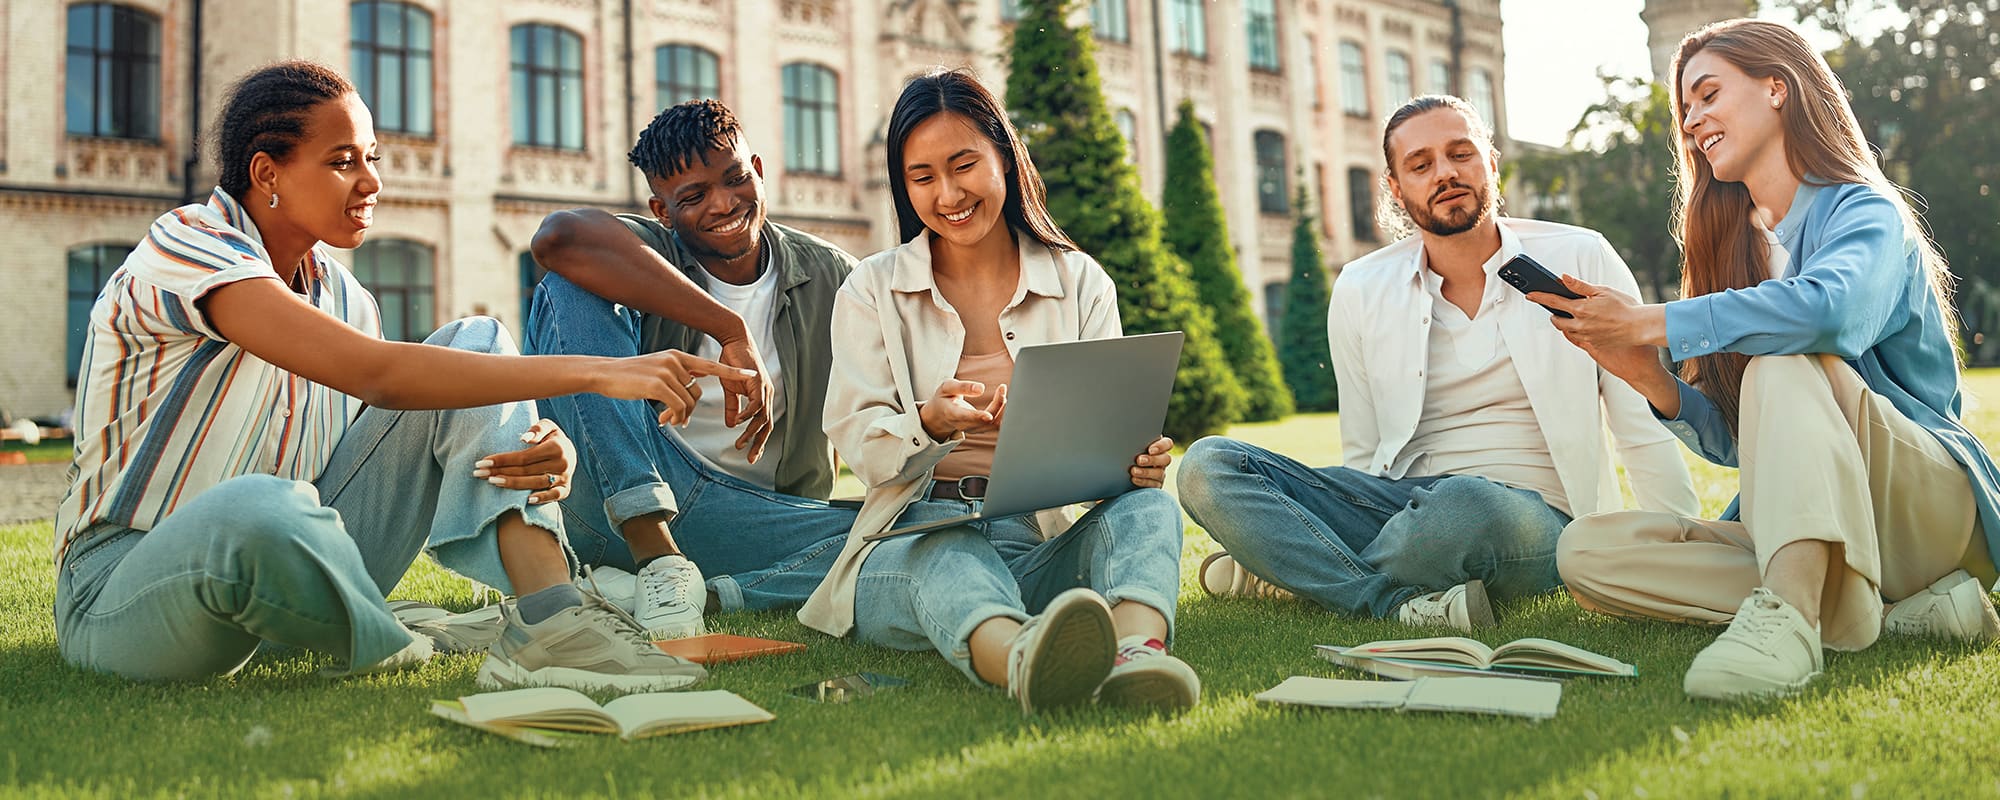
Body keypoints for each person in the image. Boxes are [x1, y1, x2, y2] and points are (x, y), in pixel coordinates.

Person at [52, 61, 719, 692]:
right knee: (259, 506)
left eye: (373, 157)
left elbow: (396, 425)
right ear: (267, 173)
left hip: (291, 563)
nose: (370, 181)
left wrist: (539, 442)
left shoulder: (345, 298)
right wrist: (601, 372)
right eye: (343, 162)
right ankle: (401, 634)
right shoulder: (187, 244)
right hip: (124, 590)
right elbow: (381, 376)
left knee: (479, 341)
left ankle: (554, 618)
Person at [1544, 18, 2000, 702]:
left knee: (1786, 361)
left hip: (1923, 507)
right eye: (1686, 108)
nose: (1694, 120)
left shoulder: (1865, 211)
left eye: (1707, 94)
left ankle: (1787, 617)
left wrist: (1650, 320)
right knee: (1586, 553)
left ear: (1777, 88)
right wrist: (1643, 370)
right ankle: (1892, 611)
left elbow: (1828, 315)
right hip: (1824, 520)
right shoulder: (1736, 253)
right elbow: (1749, 442)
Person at [1176, 95, 1698, 631]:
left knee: (1461, 505)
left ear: (1491, 164)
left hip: (1534, 519)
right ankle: (1388, 601)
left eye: (1461, 154)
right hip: (1400, 506)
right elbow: (1362, 448)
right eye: (1420, 165)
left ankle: (1294, 569)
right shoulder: (1360, 287)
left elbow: (1641, 427)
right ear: (1396, 189)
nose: (1445, 174)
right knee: (1206, 466)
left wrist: (1687, 555)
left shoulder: (1581, 258)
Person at [796, 69, 1197, 714]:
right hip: (909, 539)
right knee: (948, 550)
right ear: (904, 186)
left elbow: (1104, 461)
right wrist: (928, 423)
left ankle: (1134, 659)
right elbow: (857, 444)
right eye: (922, 177)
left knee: (1150, 512)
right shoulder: (870, 290)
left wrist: (1131, 464)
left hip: (1034, 539)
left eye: (964, 166)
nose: (948, 193)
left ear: (1005, 160)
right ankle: (1023, 663)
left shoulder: (1080, 282)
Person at [471, 99, 860, 641]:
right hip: (617, 501)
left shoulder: (834, 276)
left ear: (760, 172)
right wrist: (731, 329)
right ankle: (658, 559)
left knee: (912, 533)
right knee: (570, 285)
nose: (724, 204)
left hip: (755, 516)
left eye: (736, 179)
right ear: (662, 211)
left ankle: (705, 593)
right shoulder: (645, 255)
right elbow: (558, 238)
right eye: (694, 197)